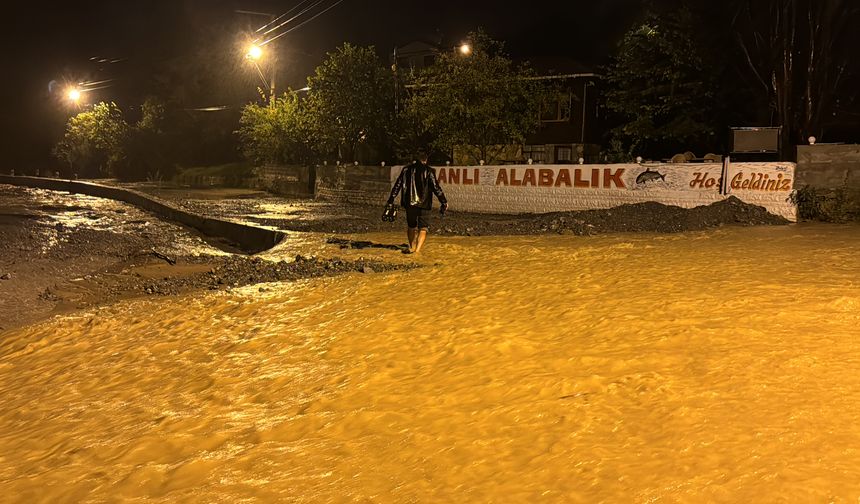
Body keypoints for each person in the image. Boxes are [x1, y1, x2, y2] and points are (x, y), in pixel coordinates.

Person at [386, 150, 448, 254]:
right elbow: (436, 187)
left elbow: (398, 185)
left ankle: (412, 247)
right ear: (426, 160)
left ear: (415, 159)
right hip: (425, 204)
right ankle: (417, 251)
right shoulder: (429, 171)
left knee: (411, 226)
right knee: (423, 228)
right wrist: (444, 201)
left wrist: (391, 200)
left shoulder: (406, 170)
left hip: (410, 204)